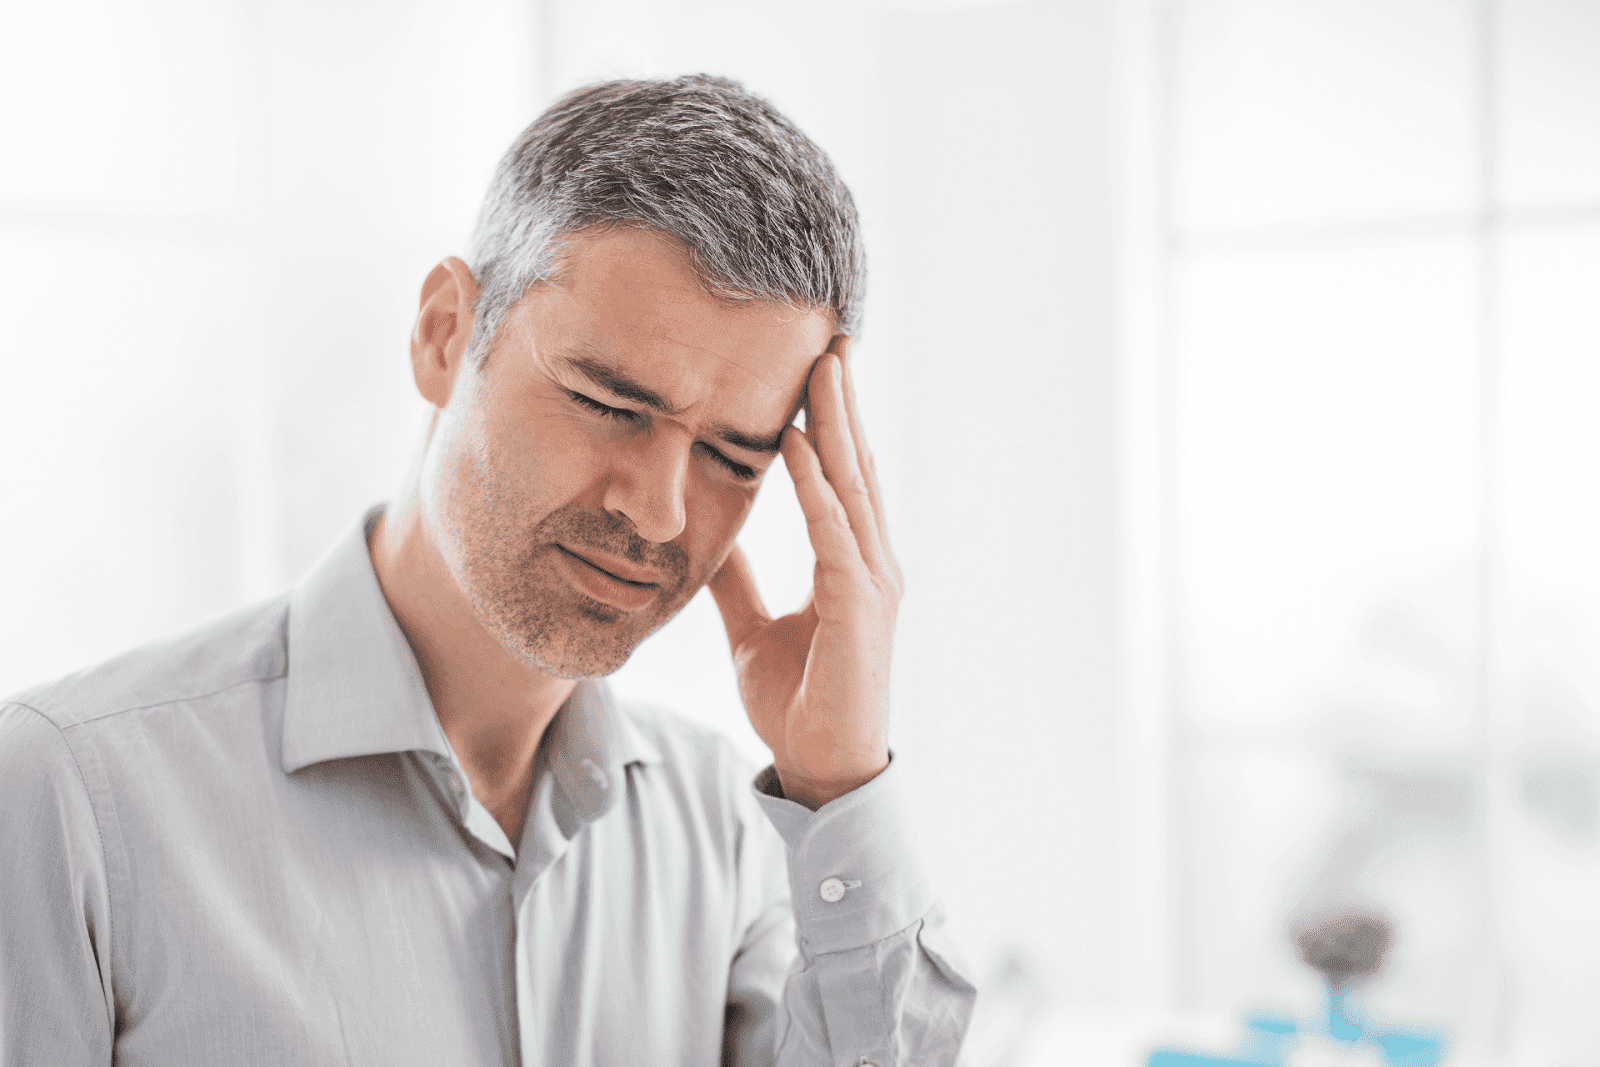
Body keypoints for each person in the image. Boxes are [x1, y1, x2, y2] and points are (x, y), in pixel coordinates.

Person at [0, 75, 976, 1066]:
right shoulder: (70, 794)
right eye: (610, 403)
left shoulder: (730, 839)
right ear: (443, 333)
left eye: (732, 456)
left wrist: (841, 783)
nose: (659, 509)